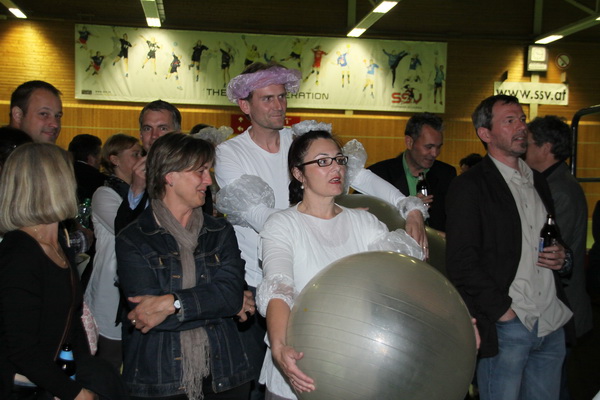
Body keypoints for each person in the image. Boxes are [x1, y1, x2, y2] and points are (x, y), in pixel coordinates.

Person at [217, 61, 428, 399]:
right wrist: (324, 215)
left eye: (282, 96)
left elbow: (359, 176)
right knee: (266, 373)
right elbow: (258, 215)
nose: (279, 106)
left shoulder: (302, 140)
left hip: (326, 274)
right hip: (261, 281)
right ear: (245, 105)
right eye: (268, 98)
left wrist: (410, 206)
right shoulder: (230, 153)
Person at [256, 129, 424, 399]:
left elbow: (398, 279)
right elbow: (278, 288)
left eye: (339, 160)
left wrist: (448, 317)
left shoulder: (364, 222)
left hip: (356, 365)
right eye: (323, 161)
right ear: (299, 174)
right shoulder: (283, 224)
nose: (336, 168)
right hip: (300, 367)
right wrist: (279, 346)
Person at [445, 95, 574, 400]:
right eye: (510, 121)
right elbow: (462, 262)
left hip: (550, 323)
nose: (521, 127)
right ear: (485, 134)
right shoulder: (470, 186)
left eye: (522, 119)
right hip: (509, 326)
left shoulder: (538, 182)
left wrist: (563, 257)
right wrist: (504, 314)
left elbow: (548, 240)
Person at [116, 133, 254, 400]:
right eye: (200, 171)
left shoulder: (219, 231)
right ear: (170, 176)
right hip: (162, 378)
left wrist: (173, 303)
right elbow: (148, 317)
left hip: (225, 374)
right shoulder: (133, 238)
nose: (208, 180)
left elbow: (229, 293)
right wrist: (225, 305)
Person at [0, 143, 128, 400]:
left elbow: (71, 324)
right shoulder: (19, 254)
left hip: (58, 378)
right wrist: (74, 392)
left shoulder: (57, 242)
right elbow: (21, 348)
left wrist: (81, 374)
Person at [525, 115, 593, 339]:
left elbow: (546, 250)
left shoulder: (559, 190)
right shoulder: (553, 183)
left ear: (545, 148)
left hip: (560, 308)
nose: (523, 149)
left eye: (528, 143)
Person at [84, 134, 142, 371]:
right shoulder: (104, 194)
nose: (141, 159)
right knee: (108, 362)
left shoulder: (148, 193)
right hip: (110, 286)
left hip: (136, 285)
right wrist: (139, 188)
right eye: (135, 154)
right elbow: (131, 231)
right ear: (114, 159)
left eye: (141, 153)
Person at [368, 112, 456, 231]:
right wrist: (410, 207)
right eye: (429, 147)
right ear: (409, 142)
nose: (435, 153)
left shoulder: (447, 174)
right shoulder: (378, 174)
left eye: (439, 147)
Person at [114, 100, 182, 234]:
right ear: (140, 135)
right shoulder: (138, 175)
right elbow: (122, 232)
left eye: (163, 128)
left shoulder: (194, 174)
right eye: (147, 128)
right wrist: (136, 190)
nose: (154, 136)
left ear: (177, 134)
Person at [68, 133, 106, 203]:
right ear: (91, 159)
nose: (101, 161)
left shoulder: (61, 173)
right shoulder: (100, 180)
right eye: (99, 155)